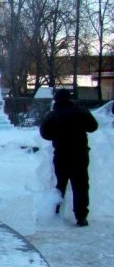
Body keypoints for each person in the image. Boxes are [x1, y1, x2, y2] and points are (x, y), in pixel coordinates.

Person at [40, 88, 98, 227]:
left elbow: (45, 134)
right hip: (80, 154)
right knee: (81, 186)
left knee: (60, 185)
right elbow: (93, 126)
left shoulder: (52, 115)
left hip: (61, 155)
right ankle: (81, 216)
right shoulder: (81, 112)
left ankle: (56, 212)